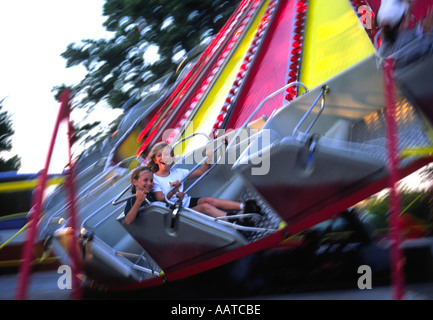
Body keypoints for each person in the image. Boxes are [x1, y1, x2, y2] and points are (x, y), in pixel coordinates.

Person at [146, 141, 261, 219]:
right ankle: (234, 221)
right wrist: (174, 190)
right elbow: (161, 198)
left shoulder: (178, 172)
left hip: (186, 202)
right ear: (155, 160)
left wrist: (209, 158)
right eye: (159, 156)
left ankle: (246, 207)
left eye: (166, 154)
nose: (163, 158)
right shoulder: (155, 178)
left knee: (209, 200)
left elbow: (202, 172)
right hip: (177, 210)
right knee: (206, 207)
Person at [377, 0, 433, 68]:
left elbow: (407, 39)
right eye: (409, 13)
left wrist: (421, 29)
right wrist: (428, 33)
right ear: (403, 20)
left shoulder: (386, 46)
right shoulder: (417, 48)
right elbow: (424, 48)